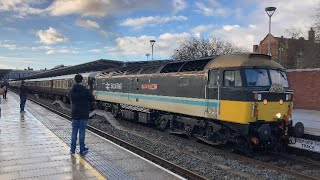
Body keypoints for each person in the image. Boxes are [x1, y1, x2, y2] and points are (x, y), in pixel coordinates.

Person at [69, 74, 94, 155]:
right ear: (82, 80)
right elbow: (92, 98)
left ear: (74, 80)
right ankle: (82, 148)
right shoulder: (86, 90)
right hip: (83, 114)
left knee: (74, 131)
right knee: (82, 131)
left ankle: (72, 149)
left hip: (75, 113)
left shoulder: (72, 91)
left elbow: (70, 98)